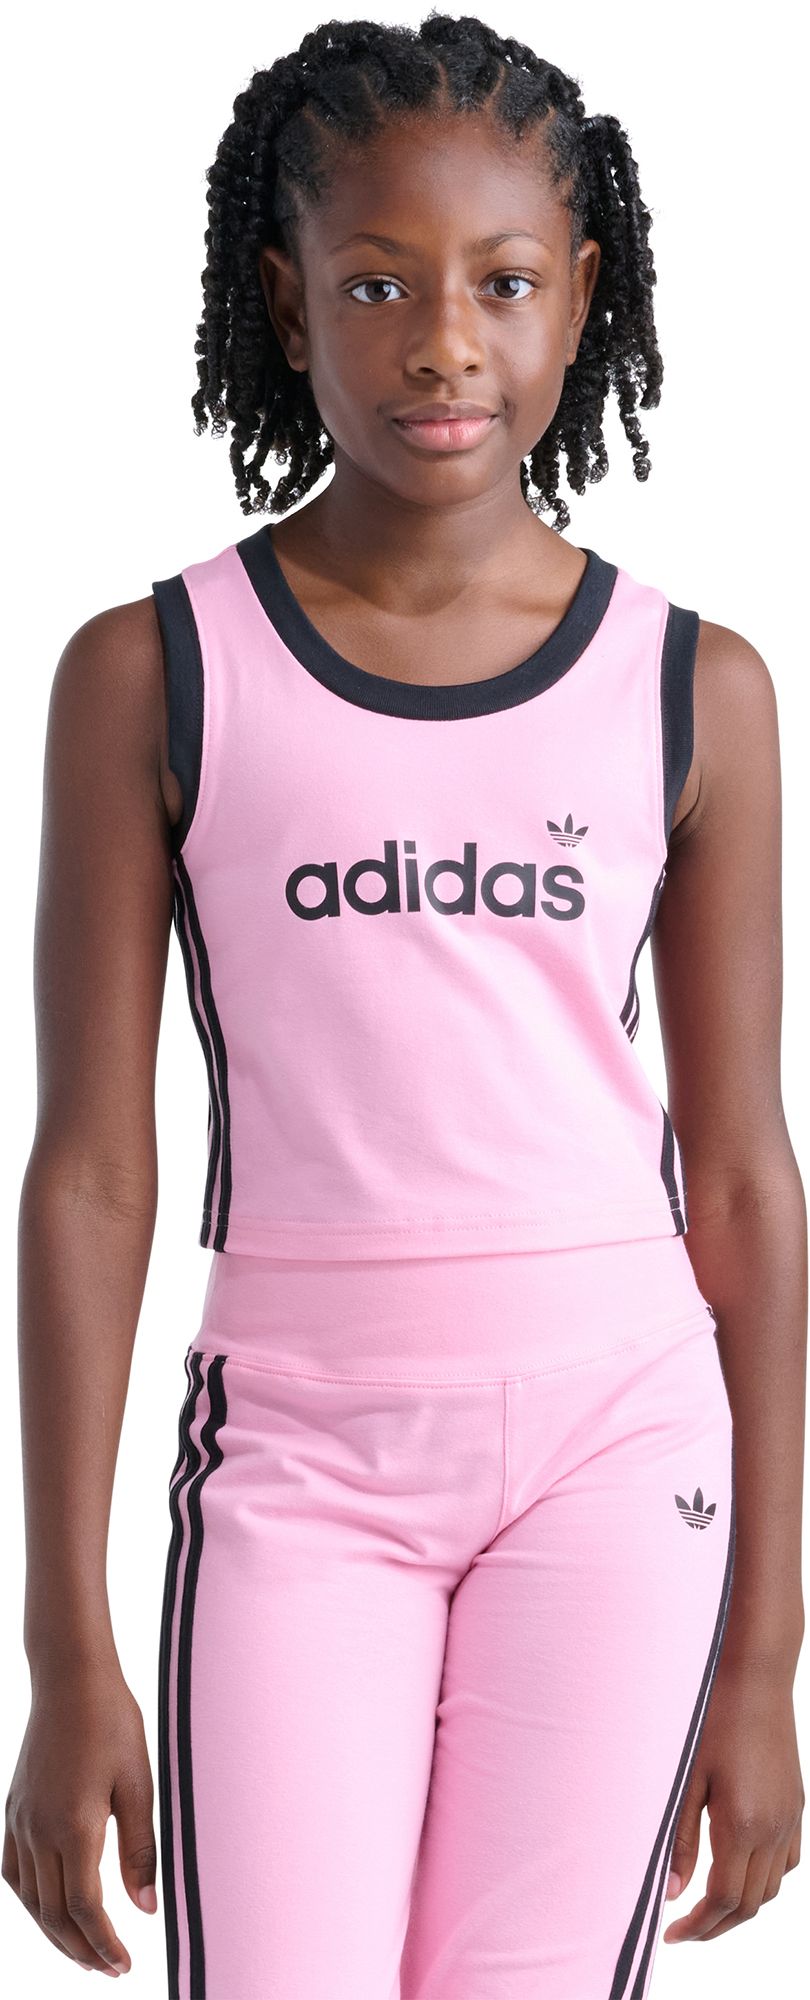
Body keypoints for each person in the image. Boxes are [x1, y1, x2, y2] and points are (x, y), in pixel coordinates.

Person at [3, 11, 806, 1997]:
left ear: (581, 297)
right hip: (300, 1461)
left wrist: (766, 1652)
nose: (445, 343)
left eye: (502, 283)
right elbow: (92, 1170)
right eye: (376, 284)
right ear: (286, 302)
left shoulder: (694, 689)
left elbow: (740, 1171)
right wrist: (66, 1643)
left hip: (620, 1454)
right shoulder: (152, 673)